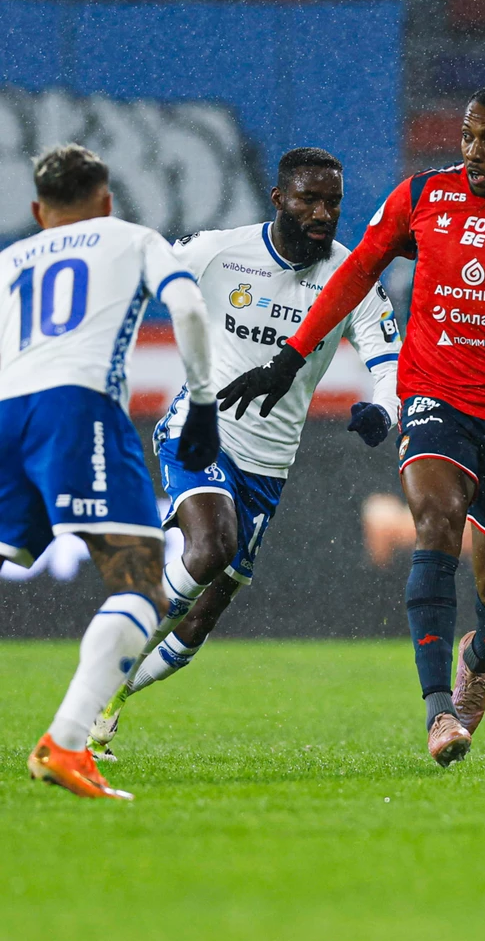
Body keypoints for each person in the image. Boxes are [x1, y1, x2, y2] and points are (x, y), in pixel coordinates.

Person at [218, 84, 485, 767]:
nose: (474, 151)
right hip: (434, 394)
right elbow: (356, 271)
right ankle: (439, 712)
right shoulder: (424, 195)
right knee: (435, 522)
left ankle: (478, 658)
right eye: (467, 136)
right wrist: (289, 358)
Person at [88, 147, 400, 758]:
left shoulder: (354, 276)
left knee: (199, 621)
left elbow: (389, 362)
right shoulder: (218, 252)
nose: (323, 213)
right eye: (309, 199)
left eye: (333, 202)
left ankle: (112, 698)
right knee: (211, 545)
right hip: (201, 429)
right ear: (279, 199)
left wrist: (383, 410)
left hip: (270, 466)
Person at [0, 144, 218, 799]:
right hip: (77, 409)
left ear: (38, 210)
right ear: (107, 200)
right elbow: (188, 308)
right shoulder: (132, 238)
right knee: (141, 582)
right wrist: (202, 401)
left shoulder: (11, 260)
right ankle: (66, 744)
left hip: (7, 410)